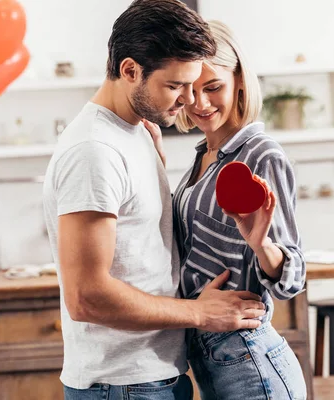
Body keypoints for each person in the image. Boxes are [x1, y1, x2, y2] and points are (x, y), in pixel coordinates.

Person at [43, 2, 268, 399]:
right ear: (130, 71)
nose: (189, 101)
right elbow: (86, 297)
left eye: (195, 84)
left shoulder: (136, 132)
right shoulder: (94, 150)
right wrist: (199, 313)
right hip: (123, 384)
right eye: (175, 86)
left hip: (152, 376)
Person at [148, 20, 308, 399]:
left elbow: (293, 277)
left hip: (248, 359)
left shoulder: (260, 154)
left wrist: (262, 245)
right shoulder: (202, 159)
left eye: (213, 87)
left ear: (239, 80)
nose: (200, 104)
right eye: (190, 90)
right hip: (210, 355)